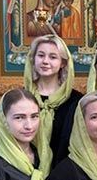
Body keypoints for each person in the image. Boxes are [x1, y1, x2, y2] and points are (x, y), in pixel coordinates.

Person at [23, 34, 83, 172]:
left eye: (53, 57)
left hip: (65, 173)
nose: (45, 61)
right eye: (41, 55)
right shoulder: (21, 98)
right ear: (33, 59)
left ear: (62, 63)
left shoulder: (76, 101)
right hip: (24, 174)